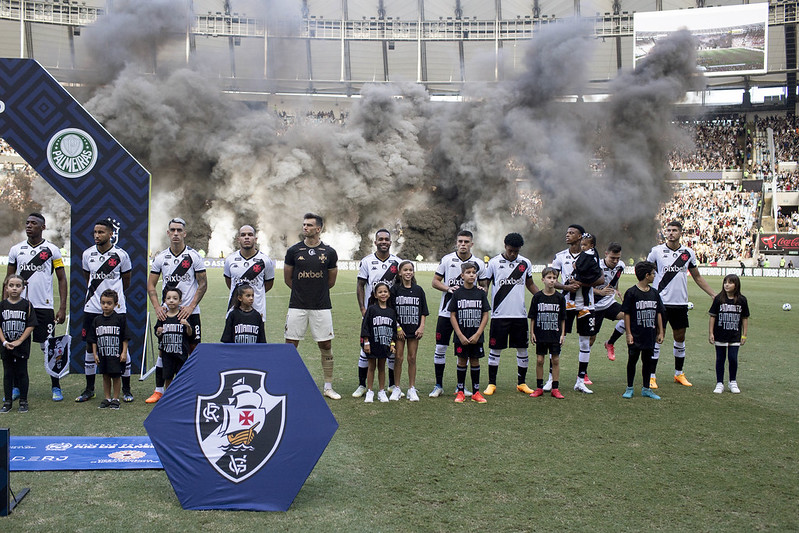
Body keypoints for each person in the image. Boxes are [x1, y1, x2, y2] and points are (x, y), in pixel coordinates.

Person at [6, 213, 68, 402]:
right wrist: (4, 306)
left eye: (34, 223)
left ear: (43, 227)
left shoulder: (52, 250)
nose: (29, 226)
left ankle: (56, 387)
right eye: (27, 223)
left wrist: (62, 307)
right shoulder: (16, 250)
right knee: (17, 347)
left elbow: (62, 278)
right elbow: (8, 280)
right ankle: (16, 387)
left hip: (44, 307)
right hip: (20, 307)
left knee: (49, 348)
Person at [646, 220, 715, 388]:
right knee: (657, 338)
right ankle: (651, 376)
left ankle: (679, 373)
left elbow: (697, 276)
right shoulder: (656, 251)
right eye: (668, 230)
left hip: (680, 303)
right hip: (660, 302)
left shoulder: (688, 253)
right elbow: (645, 273)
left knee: (680, 338)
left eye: (674, 230)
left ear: (680, 233)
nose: (670, 233)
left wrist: (713, 294)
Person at [146, 217, 207, 403]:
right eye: (172, 230)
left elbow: (203, 284)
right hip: (168, 313)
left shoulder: (194, 256)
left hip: (190, 313)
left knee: (193, 351)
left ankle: (192, 389)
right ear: (167, 233)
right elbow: (151, 285)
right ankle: (159, 391)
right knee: (164, 350)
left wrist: (190, 307)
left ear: (184, 233)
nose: (175, 233)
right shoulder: (161, 257)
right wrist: (158, 308)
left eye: (179, 230)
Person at [284, 213, 341, 399]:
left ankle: (328, 386)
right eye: (304, 224)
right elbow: (288, 279)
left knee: (325, 344)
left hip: (321, 306)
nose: (305, 227)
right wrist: (303, 292)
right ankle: (289, 384)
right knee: (290, 345)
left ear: (319, 229)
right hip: (297, 305)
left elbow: (330, 281)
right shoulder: (293, 251)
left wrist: (316, 292)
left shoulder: (329, 253)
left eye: (309, 225)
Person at [75, 220, 132, 404]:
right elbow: (87, 277)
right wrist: (96, 296)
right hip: (92, 307)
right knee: (89, 346)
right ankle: (89, 389)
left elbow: (126, 281)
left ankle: (126, 389)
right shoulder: (87, 254)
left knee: (120, 347)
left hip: (117, 308)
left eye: (101, 232)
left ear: (110, 234)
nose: (97, 235)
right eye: (95, 232)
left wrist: (113, 301)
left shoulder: (121, 255)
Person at [480, 232, 539, 396]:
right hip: (499, 315)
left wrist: (543, 298)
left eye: (516, 251)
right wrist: (480, 300)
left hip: (519, 315)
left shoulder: (525, 263)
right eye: (510, 250)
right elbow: (486, 286)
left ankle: (522, 383)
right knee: (495, 349)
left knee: (522, 349)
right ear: (505, 246)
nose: (513, 254)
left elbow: (530, 284)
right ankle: (492, 384)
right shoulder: (493, 263)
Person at [429, 230, 486, 398]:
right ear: (456, 242)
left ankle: (460, 387)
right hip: (447, 313)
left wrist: (481, 291)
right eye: (460, 241)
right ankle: (438, 385)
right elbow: (434, 282)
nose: (463, 244)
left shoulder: (478, 263)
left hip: (469, 317)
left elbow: (484, 286)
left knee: (466, 351)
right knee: (440, 348)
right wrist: (448, 288)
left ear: (471, 244)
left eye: (466, 242)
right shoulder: (447, 260)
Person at [352, 229, 401, 398]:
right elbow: (360, 285)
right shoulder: (367, 261)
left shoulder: (397, 262)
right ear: (375, 242)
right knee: (366, 350)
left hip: (389, 313)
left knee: (390, 347)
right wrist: (362, 308)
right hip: (371, 313)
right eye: (380, 239)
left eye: (386, 239)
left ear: (390, 242)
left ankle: (391, 385)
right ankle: (362, 385)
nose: (383, 242)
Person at [621, 261, 666, 400]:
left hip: (649, 334)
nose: (654, 276)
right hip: (635, 334)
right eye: (653, 273)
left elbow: (658, 312)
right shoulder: (632, 292)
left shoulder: (654, 293)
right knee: (632, 360)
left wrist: (661, 332)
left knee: (648, 361)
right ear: (647, 275)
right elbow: (626, 314)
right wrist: (628, 333)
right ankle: (629, 388)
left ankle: (646, 388)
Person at [448, 262, 490, 404]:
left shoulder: (480, 293)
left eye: (474, 272)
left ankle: (476, 392)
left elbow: (485, 314)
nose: (472, 274)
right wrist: (459, 334)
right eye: (468, 272)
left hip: (476, 335)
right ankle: (460, 392)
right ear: (462, 275)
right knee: (461, 360)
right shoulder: (457, 293)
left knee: (475, 360)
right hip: (461, 335)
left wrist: (478, 333)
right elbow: (452, 315)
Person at [568, 233, 604, 394]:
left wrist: (581, 282)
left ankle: (580, 381)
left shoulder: (592, 257)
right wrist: (569, 285)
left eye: (584, 244)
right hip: (568, 304)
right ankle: (550, 380)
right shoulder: (561, 256)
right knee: (557, 341)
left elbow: (601, 279)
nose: (569, 236)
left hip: (586, 306)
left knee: (584, 342)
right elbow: (552, 279)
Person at [223, 225, 275, 332]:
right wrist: (240, 295)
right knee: (233, 344)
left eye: (250, 235)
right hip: (234, 309)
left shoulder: (265, 260)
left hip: (257, 309)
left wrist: (253, 294)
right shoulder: (230, 259)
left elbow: (269, 284)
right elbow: (229, 283)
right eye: (243, 235)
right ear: (238, 239)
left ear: (255, 239)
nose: (247, 237)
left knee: (256, 346)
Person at [87, 290, 131, 410]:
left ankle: (116, 399)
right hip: (103, 354)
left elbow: (125, 337)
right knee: (105, 376)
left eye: (109, 303)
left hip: (116, 354)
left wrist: (124, 352)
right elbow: (93, 339)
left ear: (116, 304)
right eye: (103, 303)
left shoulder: (120, 319)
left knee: (116, 376)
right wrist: (95, 354)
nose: (105, 306)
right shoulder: (97, 320)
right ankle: (107, 398)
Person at [391, 261, 428, 402]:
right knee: (398, 358)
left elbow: (423, 311)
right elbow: (391, 311)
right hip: (400, 330)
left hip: (414, 329)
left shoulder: (418, 290)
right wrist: (398, 327)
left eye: (410, 270)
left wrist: (422, 326)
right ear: (400, 273)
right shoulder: (395, 290)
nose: (408, 272)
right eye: (405, 270)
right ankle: (397, 387)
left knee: (412, 358)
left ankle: (412, 388)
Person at [0, 275, 37, 413]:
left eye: (17, 286)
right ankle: (8, 401)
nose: (14, 288)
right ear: (6, 287)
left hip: (21, 346)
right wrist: (4, 342)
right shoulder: (2, 305)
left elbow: (31, 324)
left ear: (23, 288)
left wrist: (19, 341)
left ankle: (23, 401)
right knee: (8, 373)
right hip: (6, 346)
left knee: (22, 372)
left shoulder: (26, 305)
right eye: (11, 285)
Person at [527, 267, 566, 399]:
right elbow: (532, 316)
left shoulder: (560, 297)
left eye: (554, 278)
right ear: (543, 279)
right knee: (539, 360)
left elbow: (562, 318)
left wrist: (562, 334)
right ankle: (539, 387)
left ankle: (555, 388)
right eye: (549, 278)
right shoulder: (537, 297)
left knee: (555, 360)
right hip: (541, 333)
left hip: (555, 334)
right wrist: (532, 332)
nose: (552, 280)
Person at [708, 274, 749, 394]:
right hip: (720, 334)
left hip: (735, 335)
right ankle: (719, 383)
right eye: (725, 282)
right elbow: (712, 316)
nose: (727, 284)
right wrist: (711, 333)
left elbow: (745, 318)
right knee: (720, 359)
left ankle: (733, 382)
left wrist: (744, 335)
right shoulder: (718, 299)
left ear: (736, 285)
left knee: (733, 358)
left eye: (730, 282)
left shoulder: (742, 300)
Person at [360, 282, 397, 403]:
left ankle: (381, 391)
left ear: (389, 294)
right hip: (372, 343)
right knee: (371, 367)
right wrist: (366, 342)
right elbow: (365, 326)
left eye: (385, 292)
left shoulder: (391, 312)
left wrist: (392, 343)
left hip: (384, 343)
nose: (383, 294)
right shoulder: (371, 310)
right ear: (375, 295)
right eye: (380, 292)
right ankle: (370, 391)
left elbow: (393, 330)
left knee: (382, 367)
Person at [154, 287, 196, 389]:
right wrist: (159, 331)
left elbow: (190, 334)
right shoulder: (162, 317)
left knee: (181, 377)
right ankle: (169, 397)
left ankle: (181, 398)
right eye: (168, 298)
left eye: (175, 298)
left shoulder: (183, 315)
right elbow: (158, 333)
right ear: (165, 301)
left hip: (181, 354)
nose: (171, 300)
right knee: (168, 377)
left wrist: (187, 325)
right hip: (167, 354)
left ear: (180, 301)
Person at [595, 243, 626, 361]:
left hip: (608, 303)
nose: (615, 261)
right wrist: (600, 292)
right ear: (606, 254)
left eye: (618, 258)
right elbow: (585, 286)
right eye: (612, 258)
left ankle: (610, 343)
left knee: (628, 316)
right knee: (590, 341)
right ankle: (583, 373)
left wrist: (616, 289)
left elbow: (616, 278)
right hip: (594, 306)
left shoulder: (621, 266)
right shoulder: (596, 266)